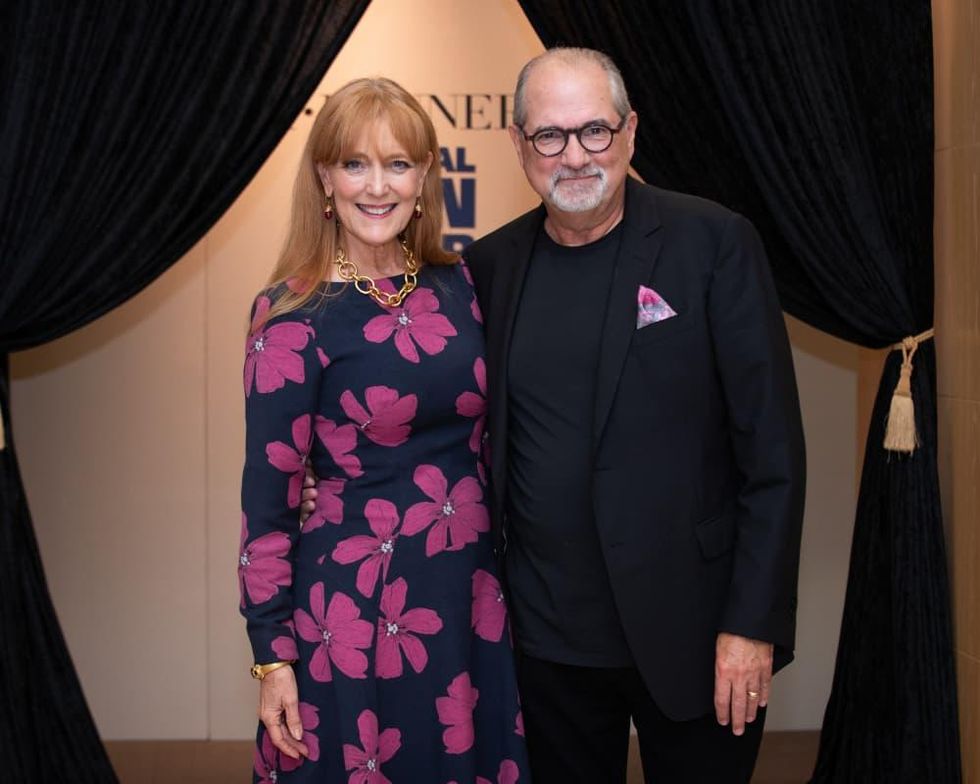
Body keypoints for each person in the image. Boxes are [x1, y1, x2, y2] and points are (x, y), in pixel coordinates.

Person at [462, 48, 806, 783]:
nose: (575, 155)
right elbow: (447, 415)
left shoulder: (713, 243)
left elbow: (772, 456)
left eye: (595, 130)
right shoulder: (489, 268)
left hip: (699, 637)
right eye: (550, 136)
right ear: (519, 147)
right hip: (545, 645)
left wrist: (751, 625)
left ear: (631, 132)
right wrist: (334, 480)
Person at [239, 77, 528, 784]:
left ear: (425, 176)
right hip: (352, 605)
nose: (378, 186)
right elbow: (267, 506)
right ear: (324, 178)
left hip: (467, 595)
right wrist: (272, 655)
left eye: (398, 164)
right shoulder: (290, 316)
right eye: (355, 164)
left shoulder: (461, 287)